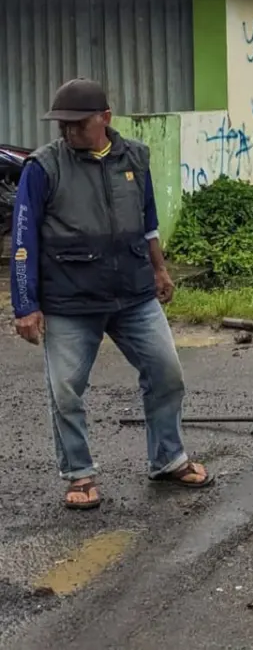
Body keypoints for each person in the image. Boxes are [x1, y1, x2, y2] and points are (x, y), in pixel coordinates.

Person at [8, 78, 211, 509]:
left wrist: (159, 269)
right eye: (62, 125)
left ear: (104, 119)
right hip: (70, 299)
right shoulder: (43, 167)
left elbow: (148, 219)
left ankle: (168, 458)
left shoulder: (134, 156)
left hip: (133, 294)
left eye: (77, 124)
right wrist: (25, 305)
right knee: (66, 390)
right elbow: (24, 240)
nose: (68, 132)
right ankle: (79, 473)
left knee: (166, 374)